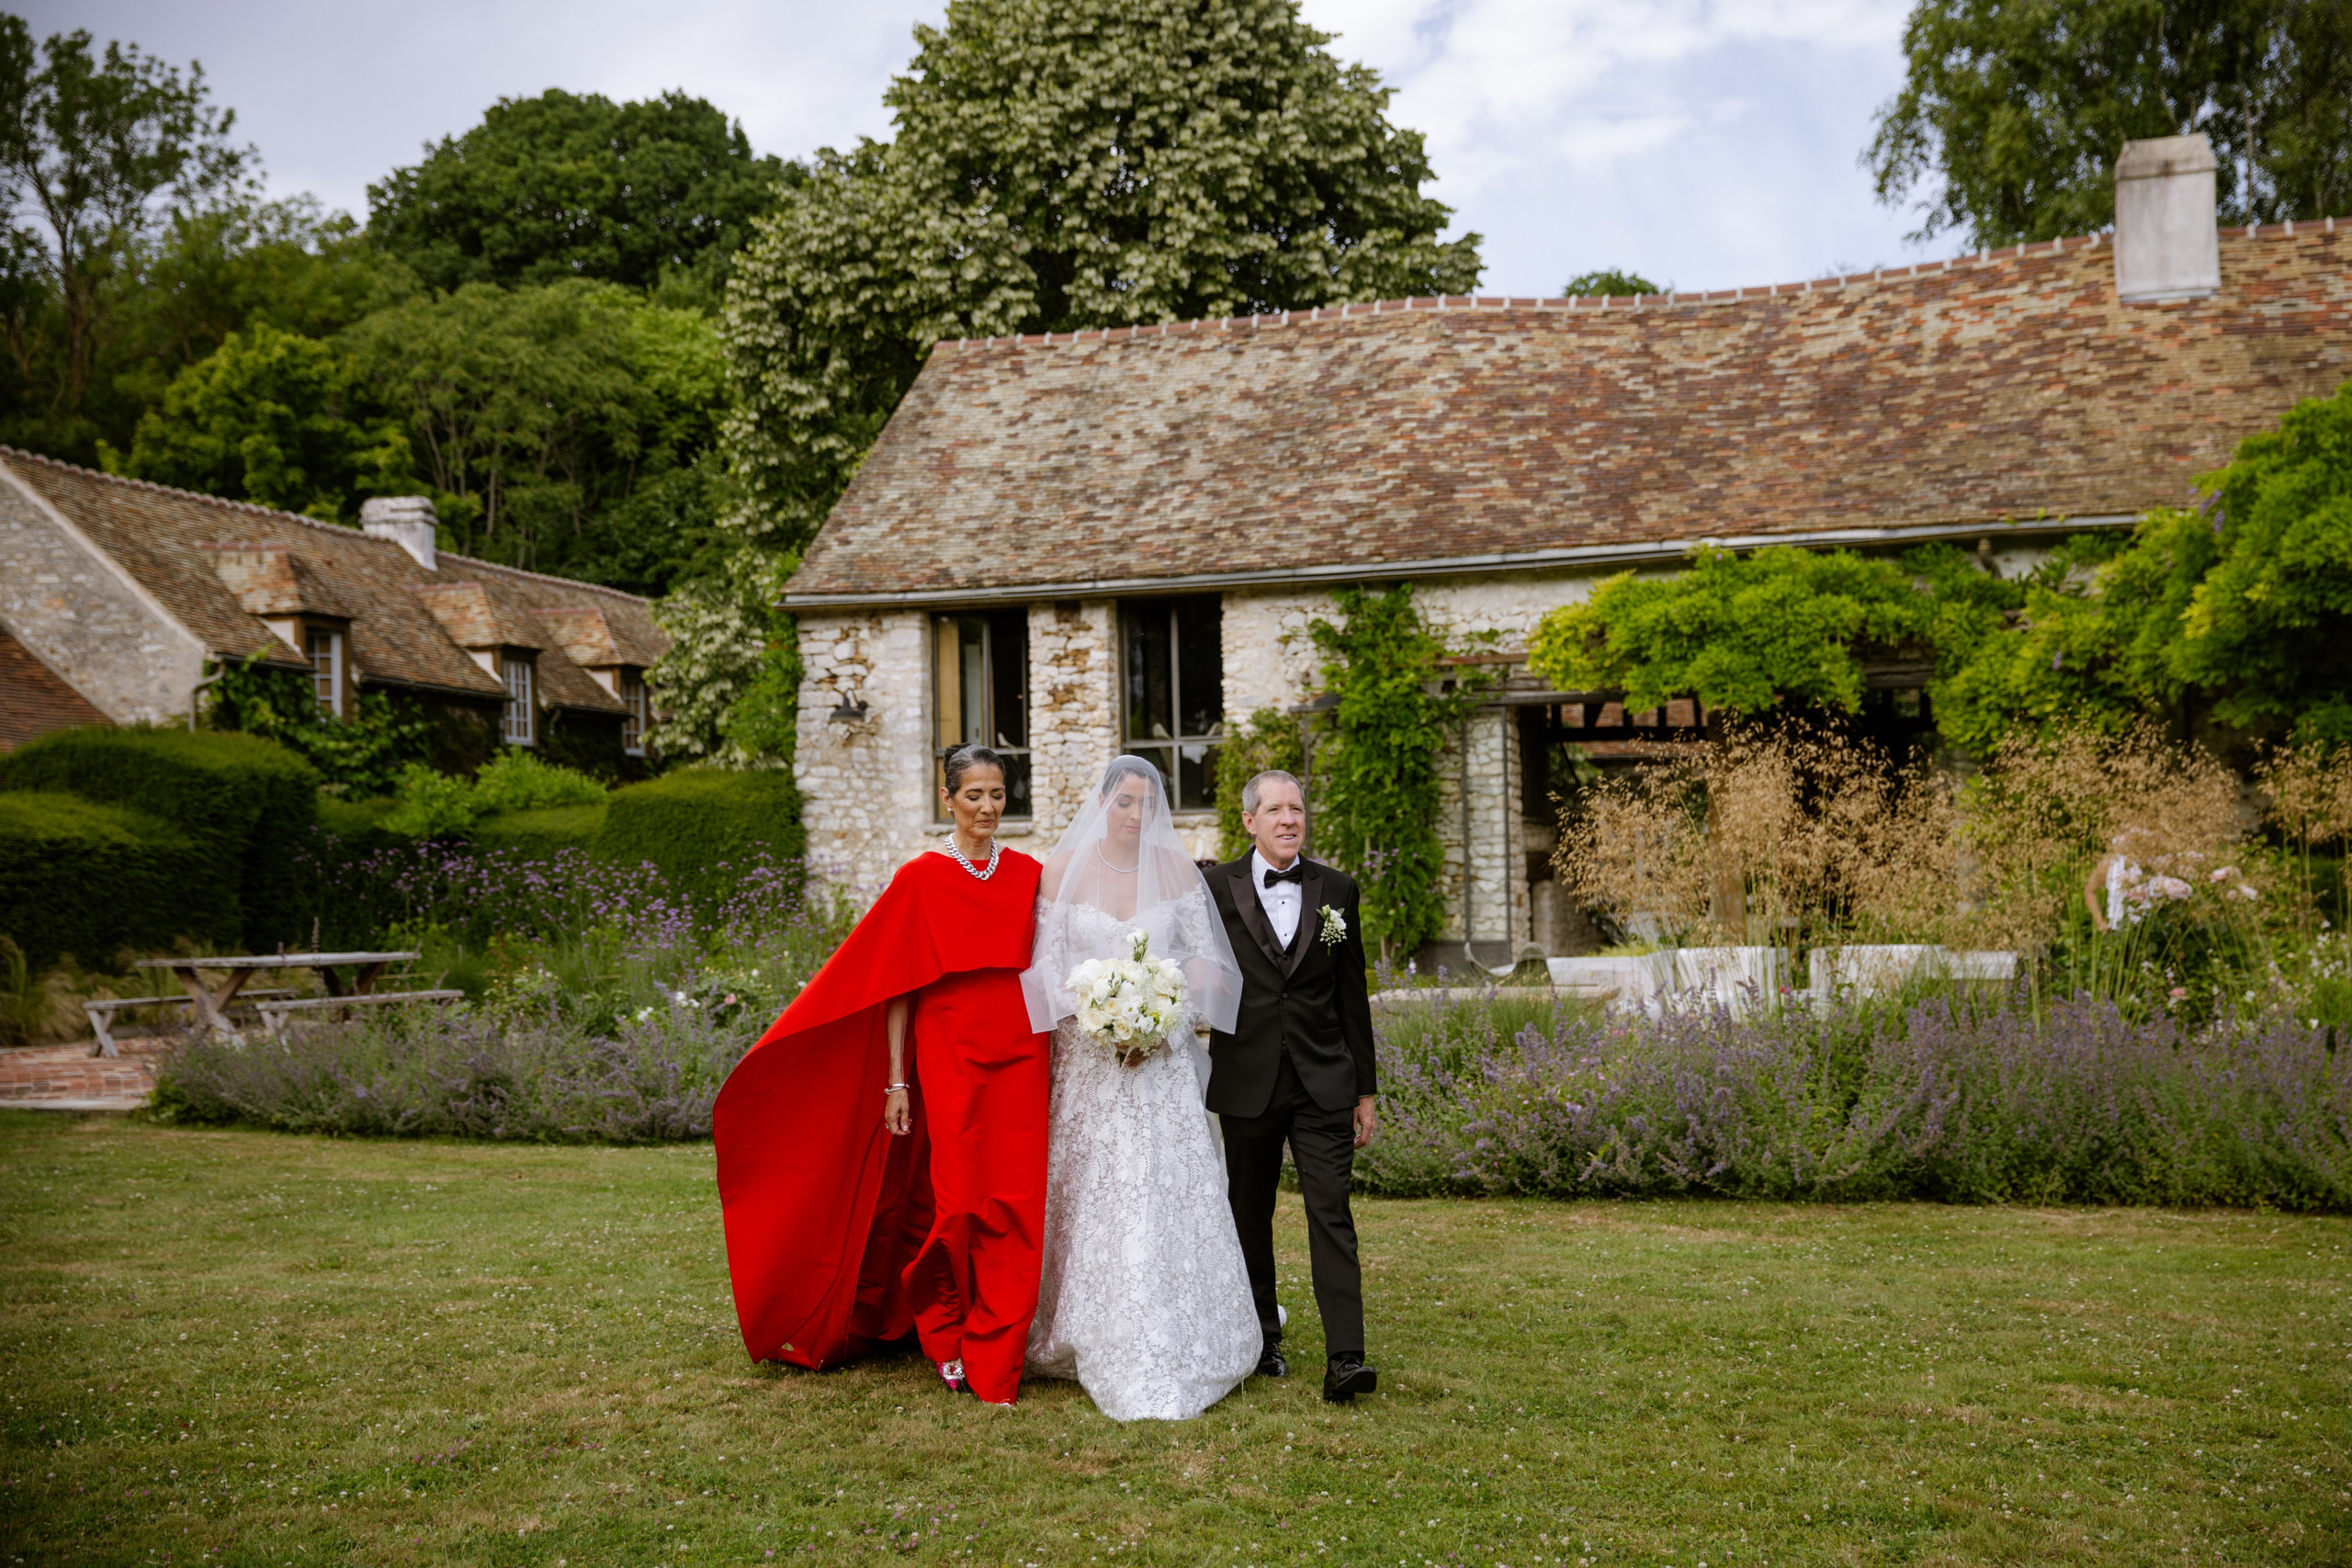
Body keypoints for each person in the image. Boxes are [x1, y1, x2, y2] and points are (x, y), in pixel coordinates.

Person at [712, 744, 1050, 1405]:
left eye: (997, 794)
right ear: (947, 798)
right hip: (949, 1056)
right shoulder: (920, 877)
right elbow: (897, 985)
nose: (987, 807)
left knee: (1016, 1207)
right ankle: (947, 1332)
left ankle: (1000, 1352)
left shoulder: (1031, 875)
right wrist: (897, 1081)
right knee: (956, 1206)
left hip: (1022, 1055)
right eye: (974, 794)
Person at [1019, 756, 1261, 1420]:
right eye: (1124, 802)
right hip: (1092, 1064)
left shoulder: (1180, 872)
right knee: (1094, 1190)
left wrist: (1161, 1021)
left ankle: (1182, 1328)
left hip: (1159, 1064)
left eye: (1146, 805)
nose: (1134, 815)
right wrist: (1101, 1020)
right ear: (1102, 801)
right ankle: (1080, 1326)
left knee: (1163, 1187)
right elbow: (1046, 967)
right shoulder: (1062, 870)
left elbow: (1207, 961)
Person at [1201, 768, 1380, 1404]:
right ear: (1249, 820)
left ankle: (1346, 1356)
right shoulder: (1211, 888)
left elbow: (1352, 994)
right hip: (1247, 1079)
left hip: (1324, 1079)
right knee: (1248, 1213)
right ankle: (1261, 1338)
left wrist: (1366, 1088)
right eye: (1274, 809)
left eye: (1296, 809)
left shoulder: (1337, 888)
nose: (1288, 819)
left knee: (1329, 1209)